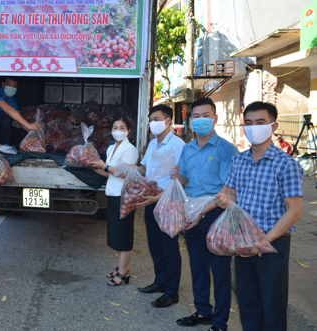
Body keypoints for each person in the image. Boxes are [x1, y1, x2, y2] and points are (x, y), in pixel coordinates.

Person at [216, 102, 303, 331]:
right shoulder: (239, 160)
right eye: (248, 123)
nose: (254, 128)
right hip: (242, 239)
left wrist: (262, 242)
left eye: (260, 122)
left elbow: (294, 211)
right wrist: (224, 200)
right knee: (247, 302)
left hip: (272, 243)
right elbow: (230, 194)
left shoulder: (286, 165)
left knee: (272, 305)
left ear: (273, 126)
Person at [174, 98, 238, 331]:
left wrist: (201, 213)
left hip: (215, 215)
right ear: (190, 121)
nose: (201, 120)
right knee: (198, 266)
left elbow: (227, 189)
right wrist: (172, 184)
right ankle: (203, 311)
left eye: (206, 115)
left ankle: (220, 323)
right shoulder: (187, 148)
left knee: (220, 271)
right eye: (196, 116)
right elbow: (182, 179)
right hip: (192, 215)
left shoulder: (226, 149)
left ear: (215, 118)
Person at [134, 105, 185, 308]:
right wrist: (132, 169)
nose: (152, 123)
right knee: (155, 246)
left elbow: (181, 178)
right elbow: (145, 168)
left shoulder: (179, 145)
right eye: (150, 119)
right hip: (150, 199)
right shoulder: (153, 143)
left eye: (156, 119)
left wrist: (159, 197)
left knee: (169, 248)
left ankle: (172, 292)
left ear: (167, 121)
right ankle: (160, 282)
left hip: (168, 201)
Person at [88, 116, 138, 286]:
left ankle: (124, 272)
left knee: (123, 234)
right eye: (115, 127)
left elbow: (126, 174)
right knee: (116, 233)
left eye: (122, 127)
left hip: (125, 196)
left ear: (128, 131)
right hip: (113, 193)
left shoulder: (130, 149)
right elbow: (110, 173)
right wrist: (95, 168)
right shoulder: (110, 148)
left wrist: (105, 167)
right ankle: (120, 267)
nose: (118, 131)